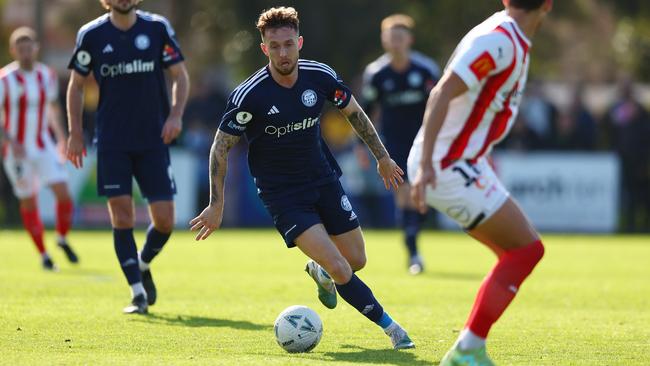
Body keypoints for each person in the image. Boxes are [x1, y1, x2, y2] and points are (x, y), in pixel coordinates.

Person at [190, 7, 414, 349]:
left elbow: (354, 112)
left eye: (288, 44)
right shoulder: (250, 95)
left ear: (300, 43)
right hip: (284, 196)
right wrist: (215, 205)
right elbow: (220, 148)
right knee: (342, 267)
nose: (283, 52)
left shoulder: (320, 77)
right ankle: (393, 329)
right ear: (264, 48)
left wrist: (382, 157)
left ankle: (320, 271)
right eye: (275, 46)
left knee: (356, 260)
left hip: (323, 179)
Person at [408, 1, 552, 364]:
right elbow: (441, 92)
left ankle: (471, 347)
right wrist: (426, 167)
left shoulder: (509, 36)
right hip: (448, 165)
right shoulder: (500, 40)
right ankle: (468, 350)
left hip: (462, 161)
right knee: (526, 250)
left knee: (518, 252)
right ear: (548, 5)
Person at [66, 0, 189, 314]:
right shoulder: (91, 34)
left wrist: (175, 115)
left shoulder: (157, 28)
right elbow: (76, 85)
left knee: (165, 220)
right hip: (112, 142)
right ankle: (137, 293)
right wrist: (76, 132)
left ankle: (143, 263)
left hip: (152, 139)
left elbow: (180, 75)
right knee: (122, 217)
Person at [361, 14, 440, 275]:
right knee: (404, 196)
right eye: (390, 38)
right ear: (384, 41)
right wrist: (361, 147)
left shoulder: (425, 70)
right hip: (392, 145)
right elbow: (364, 114)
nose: (395, 43)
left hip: (424, 143)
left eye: (399, 37)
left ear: (409, 40)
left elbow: (440, 107)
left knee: (420, 201)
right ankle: (413, 252)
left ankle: (414, 241)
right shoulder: (377, 74)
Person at [0, 27, 79, 271]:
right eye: (20, 48)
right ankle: (44, 254)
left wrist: (62, 138)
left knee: (64, 193)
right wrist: (11, 141)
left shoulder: (47, 75)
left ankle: (62, 238)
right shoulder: (5, 79)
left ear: (36, 48)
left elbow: (53, 109)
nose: (25, 52)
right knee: (29, 201)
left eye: (29, 47)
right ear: (14, 51)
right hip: (17, 151)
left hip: (43, 145)